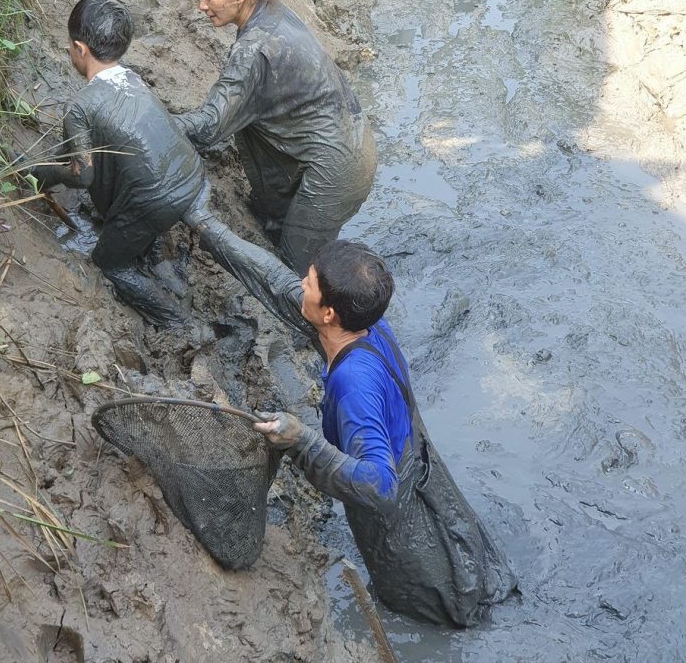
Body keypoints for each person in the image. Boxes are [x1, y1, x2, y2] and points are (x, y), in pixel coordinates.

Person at [185, 200, 517, 626]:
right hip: (423, 475)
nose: (300, 286)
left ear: (327, 312)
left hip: (401, 537)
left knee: (433, 613)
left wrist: (302, 440)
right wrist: (203, 221)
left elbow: (380, 486)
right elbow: (273, 281)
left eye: (308, 283)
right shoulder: (368, 323)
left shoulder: (352, 385)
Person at [173, 0, 377, 276]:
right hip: (353, 142)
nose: (202, 6)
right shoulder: (273, 12)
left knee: (296, 276)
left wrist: (152, 121)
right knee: (297, 241)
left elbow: (209, 126)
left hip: (336, 169)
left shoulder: (253, 51)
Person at [24, 0, 206, 327]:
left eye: (69, 47)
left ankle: (178, 322)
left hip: (155, 200)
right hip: (189, 177)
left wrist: (41, 173)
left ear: (80, 49)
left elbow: (82, 176)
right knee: (138, 217)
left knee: (109, 261)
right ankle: (163, 267)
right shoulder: (133, 78)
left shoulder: (80, 108)